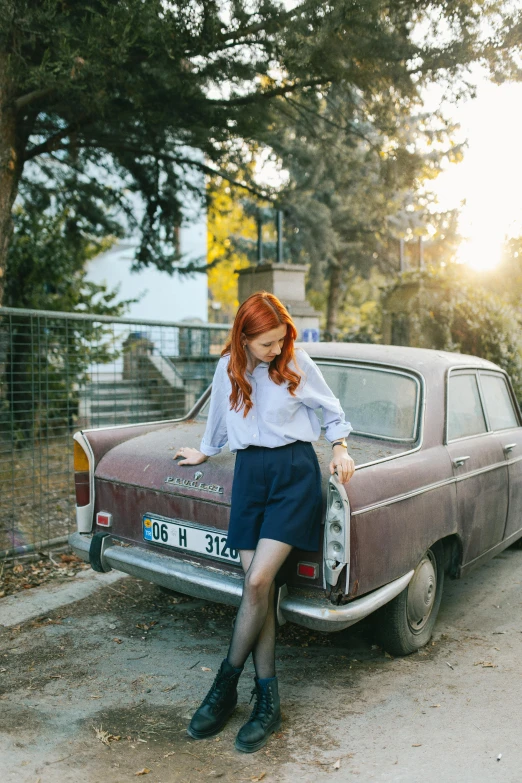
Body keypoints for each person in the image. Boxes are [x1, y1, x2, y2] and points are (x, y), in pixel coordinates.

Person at [174, 291, 355, 753]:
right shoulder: (226, 369)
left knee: (256, 582)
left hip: (293, 474)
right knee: (263, 588)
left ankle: (224, 686)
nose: (276, 349)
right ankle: (267, 700)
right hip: (250, 477)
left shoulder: (294, 362)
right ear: (244, 337)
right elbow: (218, 420)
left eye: (280, 339)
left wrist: (339, 448)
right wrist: (205, 451)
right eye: (266, 343)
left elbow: (331, 411)